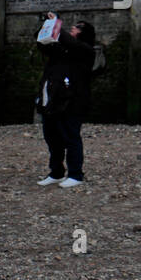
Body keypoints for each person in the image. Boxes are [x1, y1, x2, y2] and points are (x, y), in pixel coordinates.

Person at [36, 14, 96, 187]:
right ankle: (56, 172)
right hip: (53, 100)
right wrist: (46, 25)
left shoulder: (86, 51)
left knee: (71, 137)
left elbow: (70, 42)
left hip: (74, 102)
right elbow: (42, 42)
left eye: (78, 27)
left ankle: (76, 174)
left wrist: (56, 24)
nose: (73, 28)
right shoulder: (62, 50)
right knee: (52, 138)